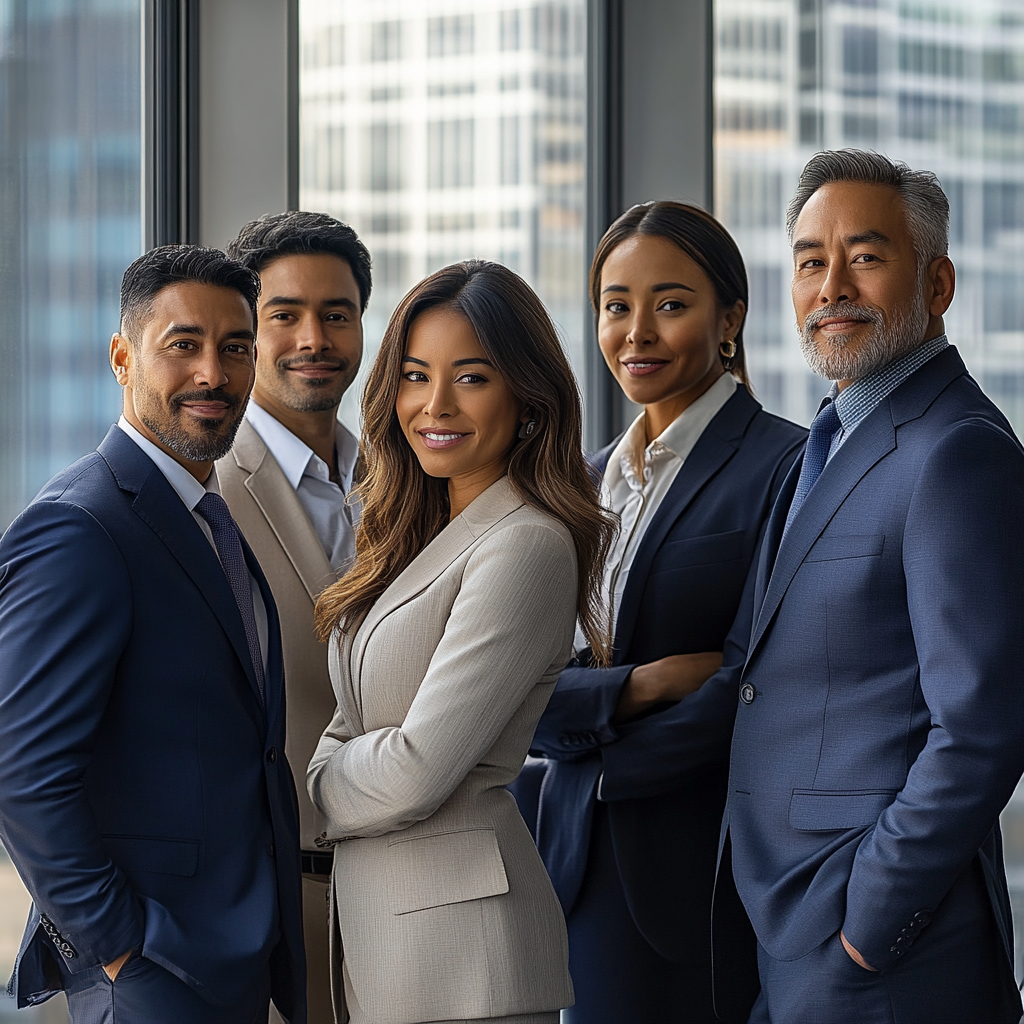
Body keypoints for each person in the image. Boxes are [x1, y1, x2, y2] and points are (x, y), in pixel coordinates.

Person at [719, 149, 1024, 1023]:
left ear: (937, 284)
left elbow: (982, 727)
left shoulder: (957, 452)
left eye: (866, 255)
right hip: (785, 922)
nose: (832, 285)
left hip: (882, 948)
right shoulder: (826, 443)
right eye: (812, 261)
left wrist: (869, 920)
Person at [509, 202, 806, 1024]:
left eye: (670, 305)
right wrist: (637, 688)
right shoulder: (582, 481)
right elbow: (520, 688)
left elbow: (758, 686)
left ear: (731, 320)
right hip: (565, 863)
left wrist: (603, 764)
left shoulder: (787, 465)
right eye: (615, 306)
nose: (636, 332)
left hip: (699, 867)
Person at [0, 246, 305, 1023]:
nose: (214, 373)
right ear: (121, 357)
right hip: (153, 968)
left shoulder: (204, 515)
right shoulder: (81, 524)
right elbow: (24, 770)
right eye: (184, 345)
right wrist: (118, 944)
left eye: (236, 348)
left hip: (229, 952)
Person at [306, 260, 615, 1024]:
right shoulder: (407, 537)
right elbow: (350, 721)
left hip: (466, 963)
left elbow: (417, 769)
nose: (434, 405)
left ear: (527, 398)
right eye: (415, 375)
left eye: (471, 378)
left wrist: (309, 788)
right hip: (389, 943)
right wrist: (338, 760)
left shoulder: (526, 545)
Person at [217, 211, 371, 1024]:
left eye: (336, 314)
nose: (313, 337)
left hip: (397, 905)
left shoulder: (407, 476)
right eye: (284, 315)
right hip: (261, 916)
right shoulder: (205, 492)